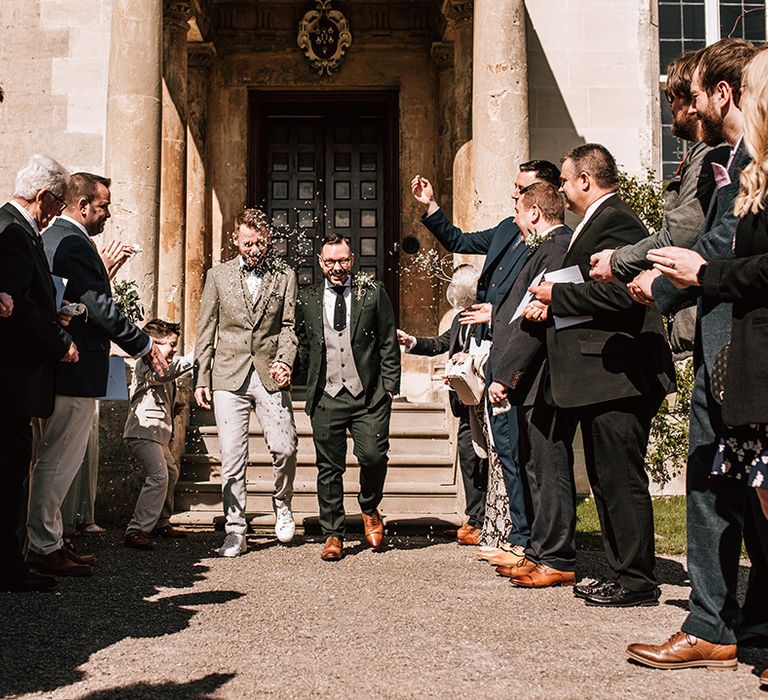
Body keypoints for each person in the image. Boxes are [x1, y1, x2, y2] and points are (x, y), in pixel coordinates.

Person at [628, 40, 768, 677]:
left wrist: (661, 284)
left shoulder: (745, 161)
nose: (681, 109)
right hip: (725, 336)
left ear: (724, 93)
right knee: (728, 485)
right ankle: (730, 621)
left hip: (741, 341)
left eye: (692, 94)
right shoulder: (731, 157)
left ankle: (722, 622)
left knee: (727, 485)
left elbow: (717, 243)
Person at [524, 144, 675, 607]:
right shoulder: (595, 224)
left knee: (620, 480)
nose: (563, 190)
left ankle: (636, 580)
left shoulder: (619, 223)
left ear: (586, 180)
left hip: (621, 376)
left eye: (566, 181)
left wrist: (556, 296)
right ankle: (621, 573)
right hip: (598, 376)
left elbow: (628, 296)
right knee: (607, 478)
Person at [411, 160, 561, 558]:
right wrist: (430, 206)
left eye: (521, 188)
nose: (514, 194)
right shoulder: (507, 229)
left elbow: (533, 297)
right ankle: (515, 534)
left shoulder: (549, 242)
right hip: (493, 351)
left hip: (522, 351)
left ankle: (525, 538)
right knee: (503, 451)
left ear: (541, 195)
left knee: (517, 452)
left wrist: (497, 312)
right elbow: (458, 239)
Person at [27, 172, 167, 578]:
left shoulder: (55, 238)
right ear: (83, 205)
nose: (107, 213)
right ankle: (43, 546)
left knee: (49, 461)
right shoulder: (72, 242)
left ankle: (49, 539)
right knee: (56, 463)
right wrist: (144, 344)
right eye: (103, 205)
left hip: (57, 369)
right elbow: (100, 308)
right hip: (72, 370)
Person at [589, 50, 730, 359]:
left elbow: (683, 236)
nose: (674, 109)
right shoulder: (701, 153)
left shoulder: (712, 154)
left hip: (707, 324)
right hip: (692, 320)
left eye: (674, 98)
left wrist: (619, 262)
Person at [485, 183, 575, 586]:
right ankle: (539, 550)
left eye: (519, 213)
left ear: (535, 212)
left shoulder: (555, 249)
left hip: (542, 378)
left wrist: (507, 374)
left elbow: (530, 323)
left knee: (549, 468)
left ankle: (556, 556)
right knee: (534, 467)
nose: (516, 223)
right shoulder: (543, 248)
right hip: (531, 380)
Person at [194, 208, 298, 557]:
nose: (254, 249)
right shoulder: (217, 276)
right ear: (236, 240)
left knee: (285, 447)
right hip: (227, 374)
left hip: (269, 373)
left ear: (268, 240)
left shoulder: (285, 275)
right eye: (247, 242)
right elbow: (206, 328)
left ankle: (282, 504)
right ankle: (235, 530)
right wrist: (201, 377)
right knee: (233, 457)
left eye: (260, 243)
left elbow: (288, 327)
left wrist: (284, 360)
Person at [295, 234, 400, 561]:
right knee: (329, 468)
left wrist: (390, 384)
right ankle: (333, 534)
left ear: (352, 260)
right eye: (330, 262)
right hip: (326, 395)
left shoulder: (372, 292)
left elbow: (387, 340)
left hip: (368, 394)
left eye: (342, 261)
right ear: (320, 261)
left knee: (373, 456)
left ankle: (369, 506)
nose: (337, 268)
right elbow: (303, 344)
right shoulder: (307, 298)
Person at [0, 154, 76, 592]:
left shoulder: (15, 228)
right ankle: (7, 566)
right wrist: (56, 338)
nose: (58, 214)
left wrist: (53, 313)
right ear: (44, 197)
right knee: (9, 472)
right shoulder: (13, 232)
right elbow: (14, 304)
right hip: (10, 381)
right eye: (59, 204)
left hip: (14, 379)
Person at [398, 264, 488, 545]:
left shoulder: (488, 315)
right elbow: (441, 344)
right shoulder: (459, 318)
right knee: (469, 458)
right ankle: (473, 518)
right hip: (463, 402)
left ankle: (485, 520)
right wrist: (411, 341)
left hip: (484, 398)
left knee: (485, 461)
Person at [123, 319, 194, 550]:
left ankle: (161, 522)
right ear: (155, 342)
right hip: (143, 432)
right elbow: (161, 375)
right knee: (159, 476)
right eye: (171, 344)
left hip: (158, 434)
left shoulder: (160, 363)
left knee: (170, 474)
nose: (175, 349)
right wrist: (196, 356)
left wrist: (172, 405)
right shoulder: (145, 360)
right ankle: (137, 530)